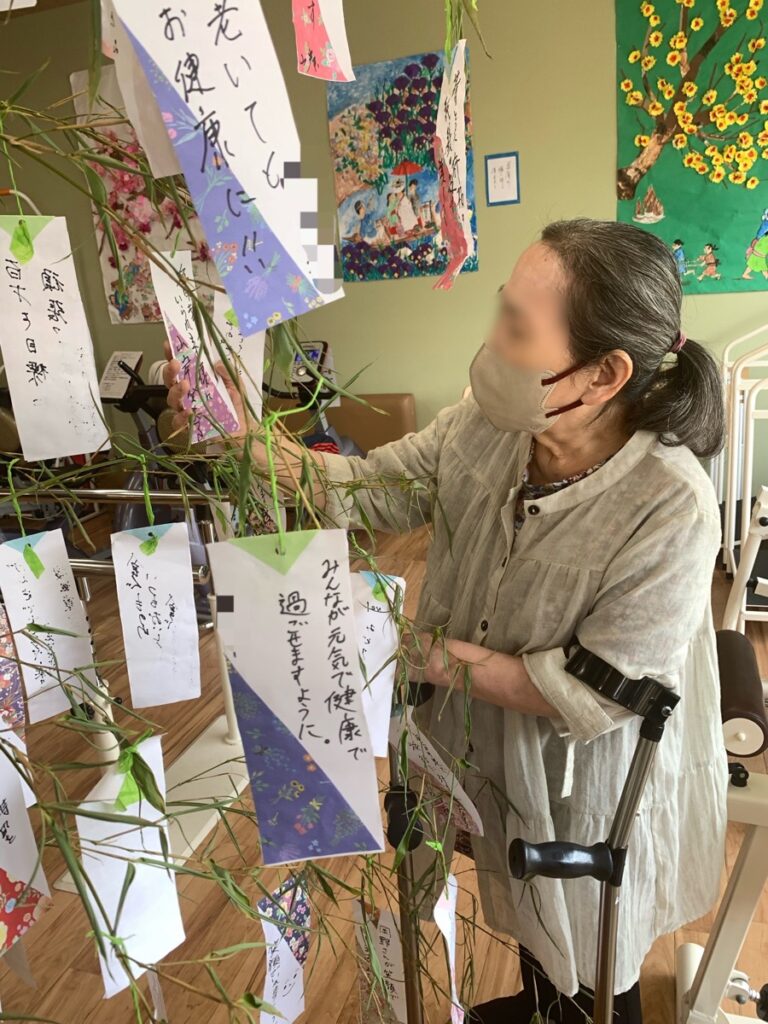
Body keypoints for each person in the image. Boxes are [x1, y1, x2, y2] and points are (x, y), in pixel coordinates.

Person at [164, 219, 727, 1024]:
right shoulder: (486, 426)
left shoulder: (669, 504)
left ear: (605, 373)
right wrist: (239, 437)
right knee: (523, 938)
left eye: (518, 329)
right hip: (471, 742)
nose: (492, 343)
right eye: (502, 310)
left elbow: (591, 691)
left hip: (583, 778)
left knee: (582, 960)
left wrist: (414, 650)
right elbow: (366, 490)